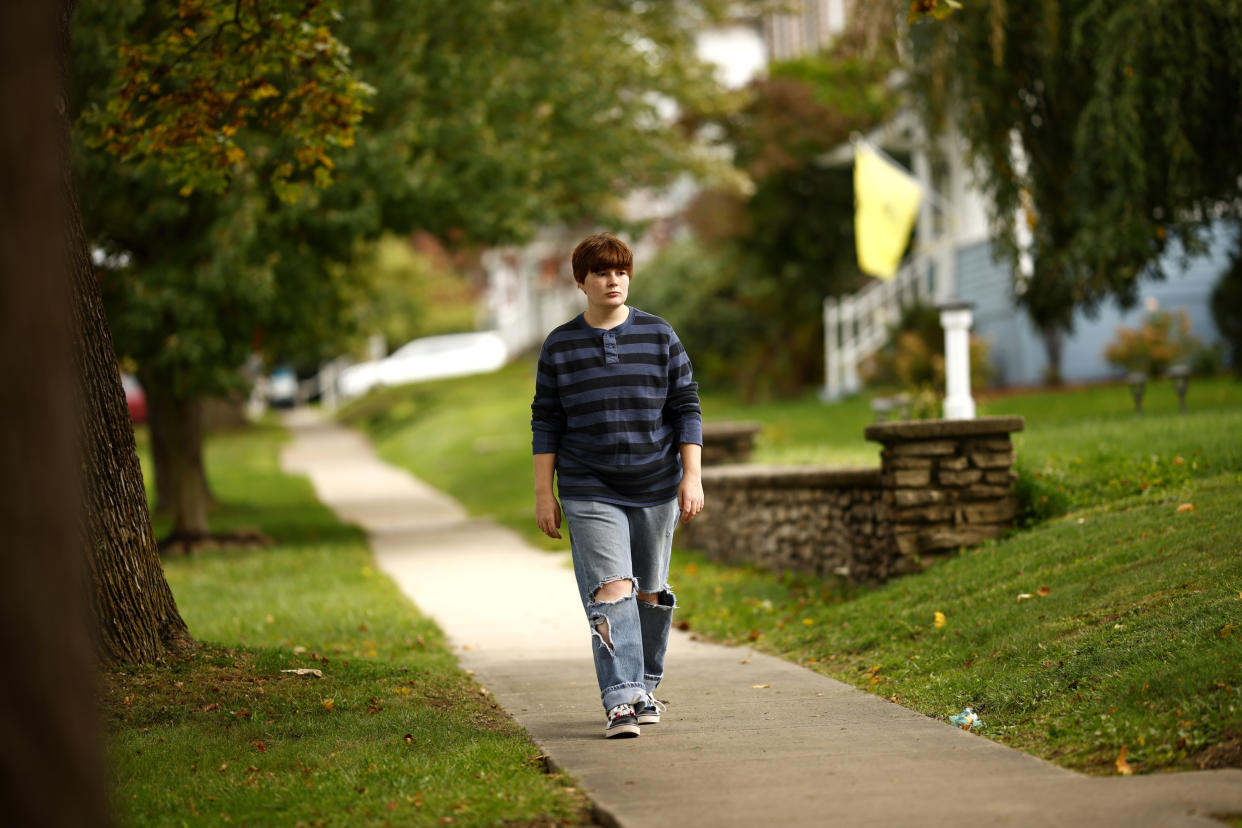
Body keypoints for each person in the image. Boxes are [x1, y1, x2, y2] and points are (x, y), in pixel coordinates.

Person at [531, 232, 704, 739]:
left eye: (622, 271)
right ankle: (621, 700)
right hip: (589, 486)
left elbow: (686, 407)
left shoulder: (658, 335)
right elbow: (546, 420)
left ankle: (644, 685)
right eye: (603, 272)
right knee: (612, 592)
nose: (614, 280)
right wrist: (546, 493)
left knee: (648, 594)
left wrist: (690, 476)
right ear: (581, 280)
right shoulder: (560, 345)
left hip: (655, 484)